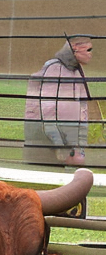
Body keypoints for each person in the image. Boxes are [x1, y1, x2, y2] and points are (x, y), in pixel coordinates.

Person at [24, 35, 93, 166]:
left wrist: (80, 143)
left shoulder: (76, 71)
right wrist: (60, 145)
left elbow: (82, 107)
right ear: (75, 48)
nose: (91, 54)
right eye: (88, 50)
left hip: (66, 138)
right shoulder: (55, 69)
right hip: (48, 140)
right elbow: (48, 110)